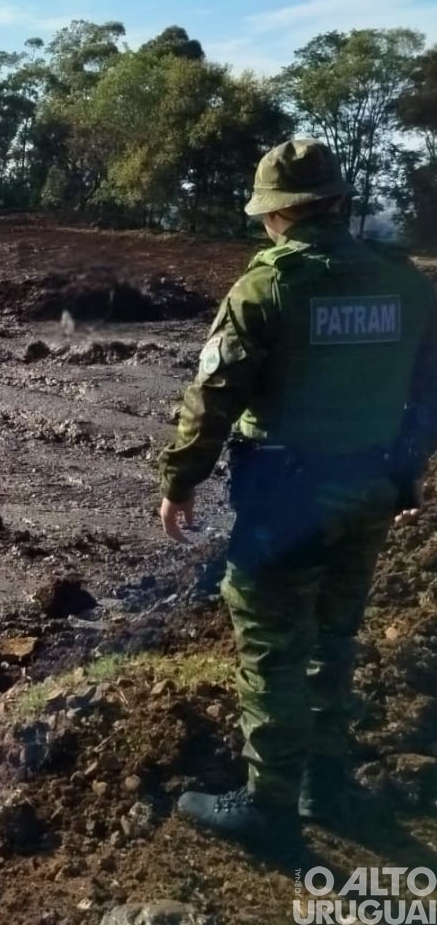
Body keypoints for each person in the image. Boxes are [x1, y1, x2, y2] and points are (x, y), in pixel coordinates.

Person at [158, 138, 437, 844]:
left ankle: (269, 807)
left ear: (278, 215)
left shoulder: (268, 287)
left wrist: (179, 481)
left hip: (288, 497)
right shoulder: (406, 284)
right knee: (334, 638)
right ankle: (325, 788)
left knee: (273, 645)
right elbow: (429, 393)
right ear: (338, 203)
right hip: (369, 487)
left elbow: (212, 399)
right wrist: (403, 470)